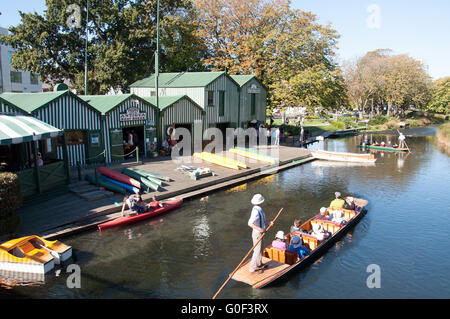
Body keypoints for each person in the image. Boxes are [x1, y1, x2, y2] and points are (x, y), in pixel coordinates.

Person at [248, 194, 273, 273]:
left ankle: (259, 264)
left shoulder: (259, 209)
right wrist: (260, 229)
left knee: (261, 249)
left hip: (261, 233)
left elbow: (261, 220)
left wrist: (268, 223)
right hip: (257, 234)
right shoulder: (255, 211)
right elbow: (250, 223)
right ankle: (252, 269)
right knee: (257, 251)